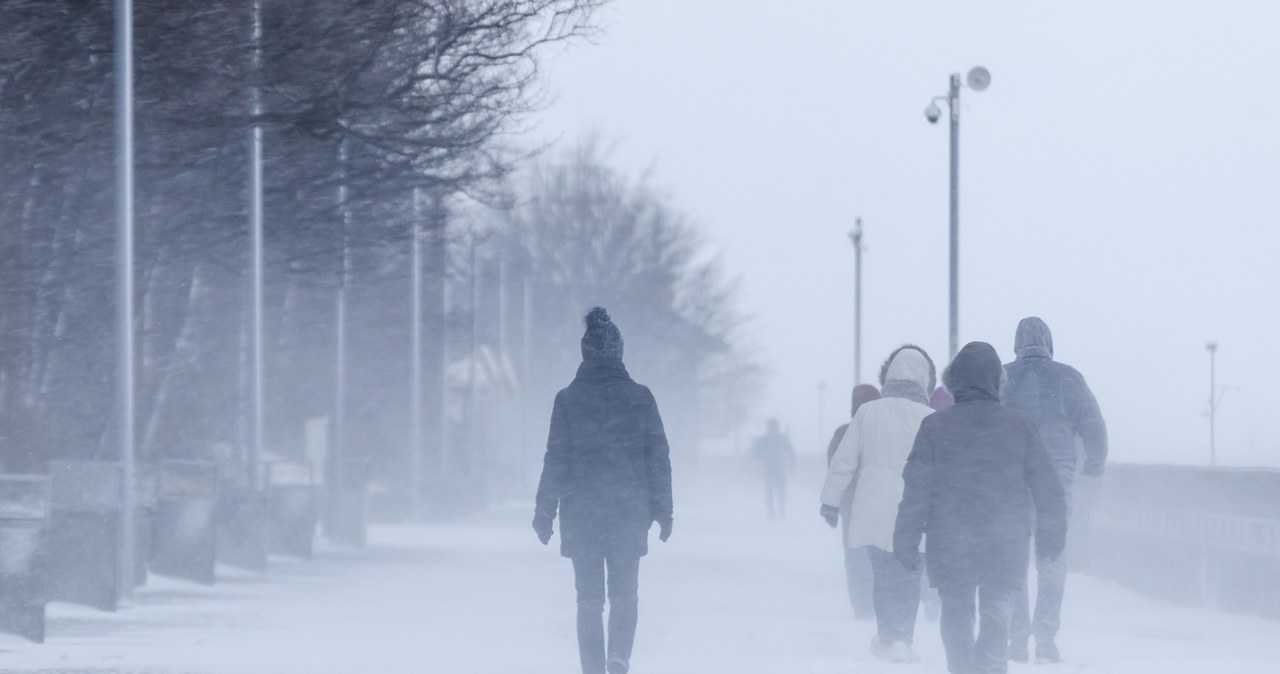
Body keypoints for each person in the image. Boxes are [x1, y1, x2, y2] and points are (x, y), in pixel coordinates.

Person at [894, 342, 1067, 674]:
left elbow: (916, 490)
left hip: (950, 539)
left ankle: (962, 668)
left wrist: (906, 538)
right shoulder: (1019, 426)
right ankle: (990, 667)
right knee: (996, 615)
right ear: (997, 381)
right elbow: (1048, 488)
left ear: (954, 381)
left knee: (956, 613)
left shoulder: (935, 427)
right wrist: (1050, 536)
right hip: (1004, 540)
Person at [533, 307, 674, 674]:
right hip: (629, 511)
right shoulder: (641, 398)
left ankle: (593, 667)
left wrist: (544, 512)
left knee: (589, 599)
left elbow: (556, 459)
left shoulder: (567, 399)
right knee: (625, 594)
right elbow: (657, 457)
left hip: (583, 512)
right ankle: (619, 658)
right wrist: (663, 510)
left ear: (585, 353)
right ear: (619, 353)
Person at [1001, 317, 1108, 663]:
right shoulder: (1068, 377)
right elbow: (1093, 422)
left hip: (1011, 480)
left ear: (1017, 343)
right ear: (1049, 343)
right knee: (1051, 560)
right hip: (1053, 481)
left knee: (1014, 561)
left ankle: (1016, 640)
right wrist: (1094, 463)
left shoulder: (1003, 378)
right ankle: (1045, 639)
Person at [821, 346, 937, 662]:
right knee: (910, 574)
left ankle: (887, 636)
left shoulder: (868, 413)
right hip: (915, 511)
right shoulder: (931, 418)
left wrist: (831, 502)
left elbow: (843, 462)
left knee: (883, 574)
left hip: (873, 507)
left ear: (889, 377)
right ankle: (904, 637)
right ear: (925, 381)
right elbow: (941, 467)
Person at [826, 384, 882, 620]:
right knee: (880, 556)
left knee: (855, 556)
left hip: (852, 506)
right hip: (882, 505)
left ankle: (861, 605)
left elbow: (834, 470)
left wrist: (832, 503)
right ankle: (881, 603)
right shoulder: (886, 431)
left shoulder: (843, 433)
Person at [751, 418, 796, 519]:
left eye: (773, 427)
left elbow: (791, 453)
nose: (772, 429)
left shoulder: (767, 439)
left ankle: (776, 512)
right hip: (775, 468)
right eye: (772, 427)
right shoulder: (777, 439)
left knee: (774, 491)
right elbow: (791, 453)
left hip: (774, 469)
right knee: (775, 491)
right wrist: (791, 465)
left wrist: (763, 459)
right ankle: (776, 512)